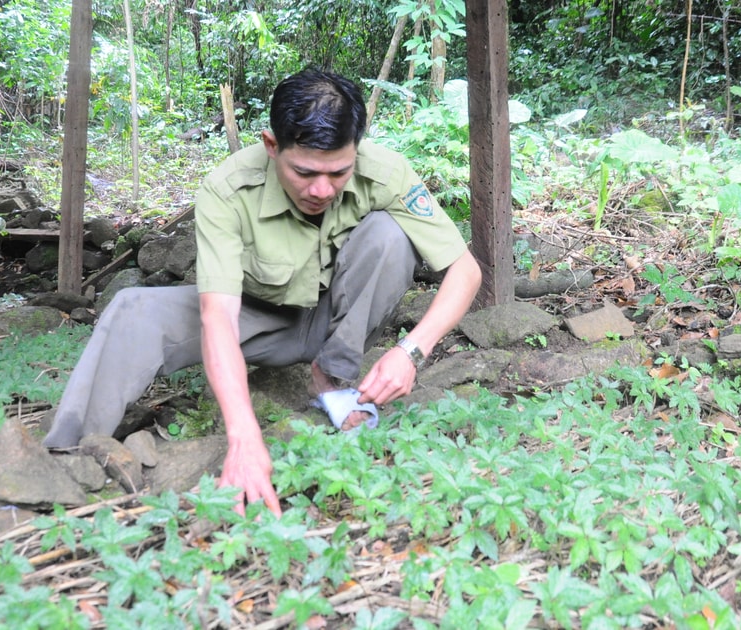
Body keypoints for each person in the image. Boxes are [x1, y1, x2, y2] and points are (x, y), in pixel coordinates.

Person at [43, 67, 481, 516]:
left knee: (391, 236)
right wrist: (244, 435)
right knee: (131, 308)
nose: (321, 189)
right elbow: (218, 318)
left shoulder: (385, 173)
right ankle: (65, 458)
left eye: (338, 173)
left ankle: (331, 378)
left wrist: (411, 351)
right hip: (256, 321)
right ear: (272, 146)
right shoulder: (227, 189)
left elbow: (465, 271)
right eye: (305, 171)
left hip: (333, 320)